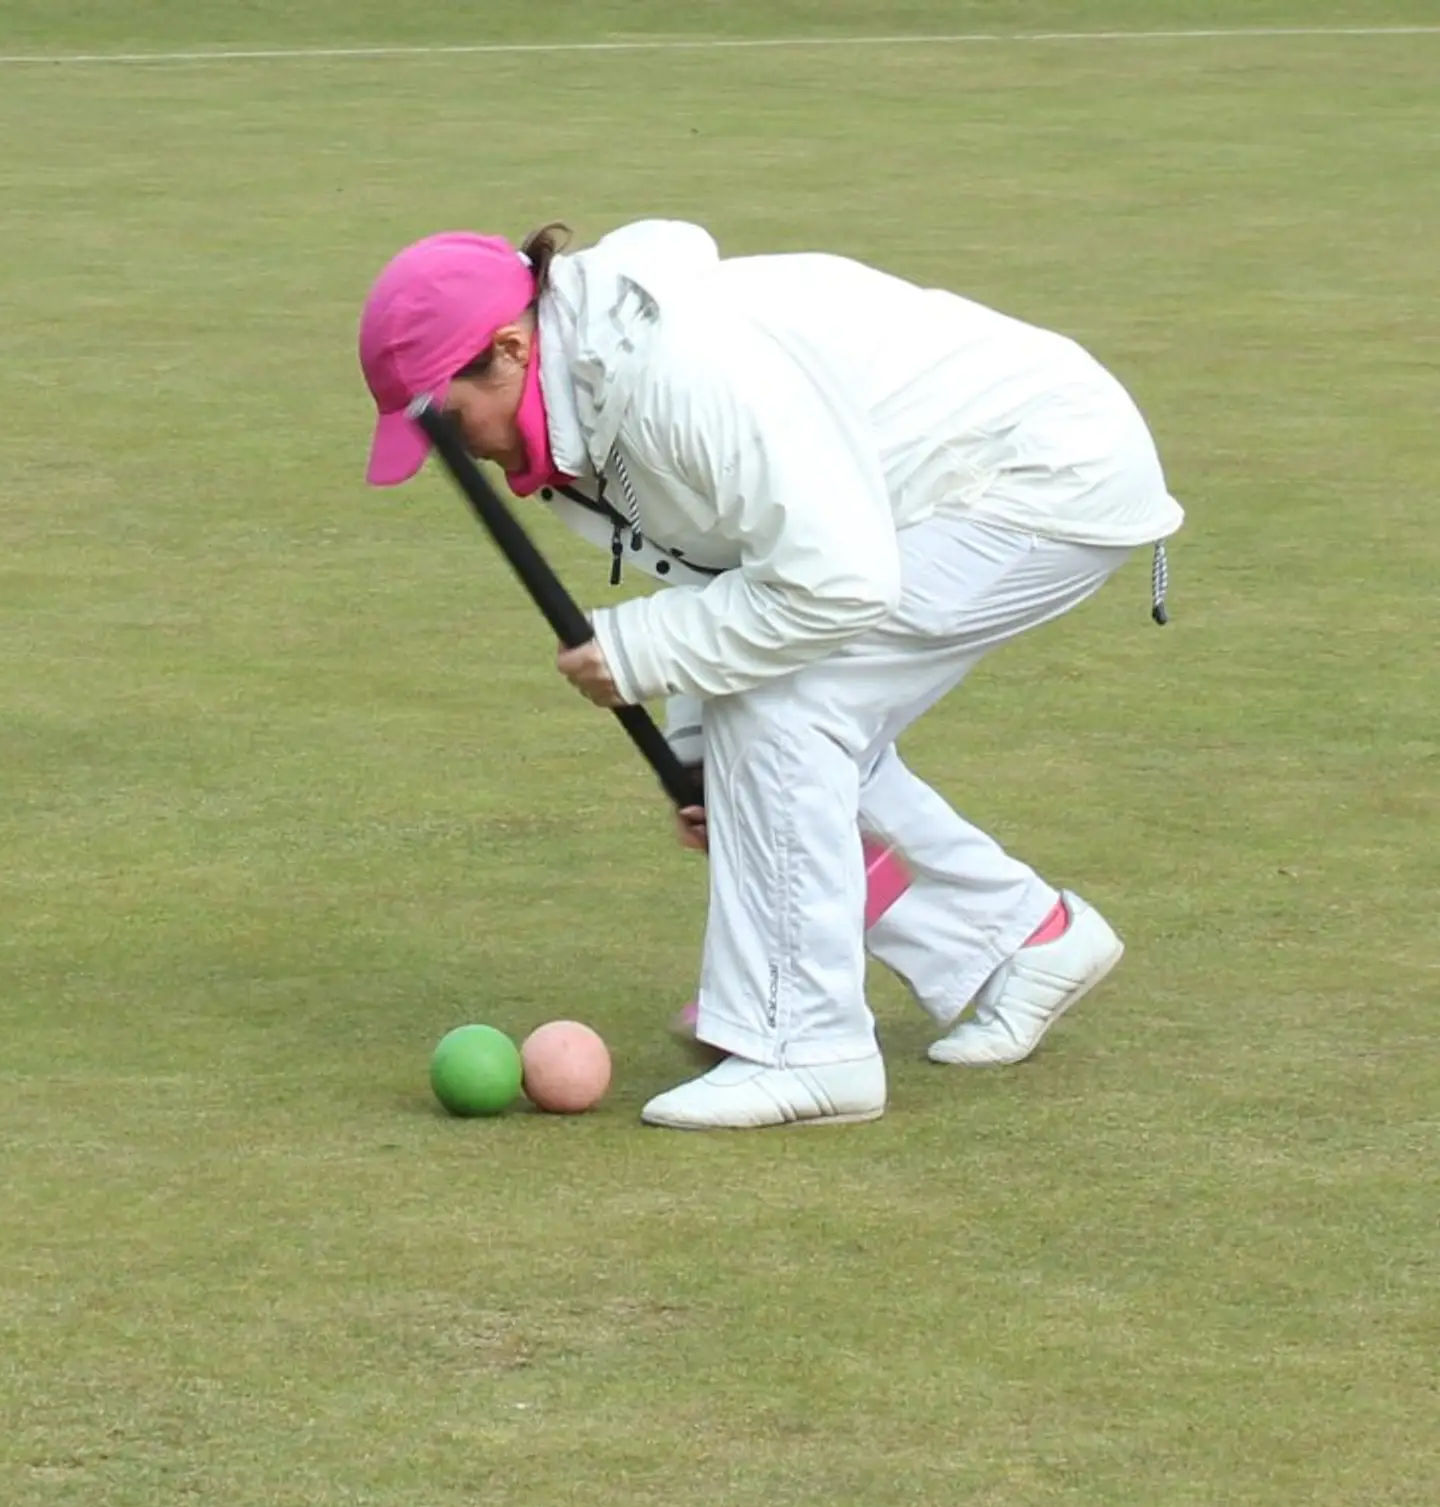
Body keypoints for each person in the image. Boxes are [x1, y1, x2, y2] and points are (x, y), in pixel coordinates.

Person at [357, 221, 1183, 1130]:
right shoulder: (573, 405)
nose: (459, 447)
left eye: (449, 417)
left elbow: (834, 584)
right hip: (928, 498)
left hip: (1043, 475)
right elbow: (744, 573)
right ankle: (1021, 941)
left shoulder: (677, 376)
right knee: (763, 731)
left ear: (510, 349)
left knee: (789, 708)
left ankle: (805, 1044)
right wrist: (700, 750)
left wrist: (641, 654)